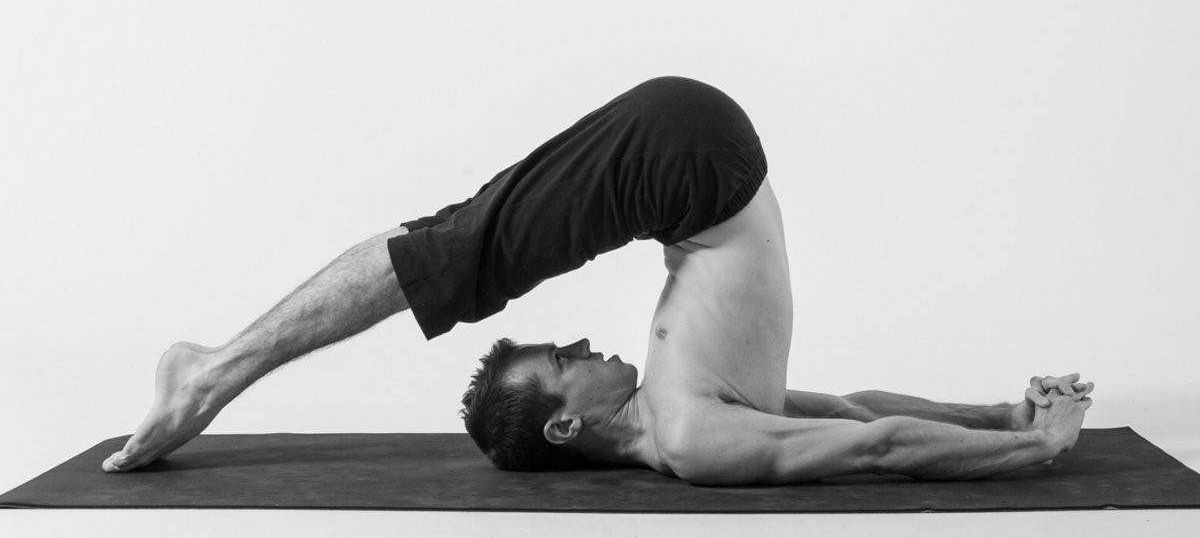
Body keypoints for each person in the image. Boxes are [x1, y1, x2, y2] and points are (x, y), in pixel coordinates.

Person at [102, 76, 1094, 484]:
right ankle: (208, 371)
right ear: (565, 424)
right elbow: (864, 430)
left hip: (686, 160)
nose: (580, 341)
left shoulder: (682, 409)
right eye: (564, 359)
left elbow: (860, 430)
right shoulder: (694, 432)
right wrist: (1020, 433)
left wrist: (1016, 431)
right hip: (686, 159)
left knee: (462, 245)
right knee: (455, 249)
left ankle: (211, 369)